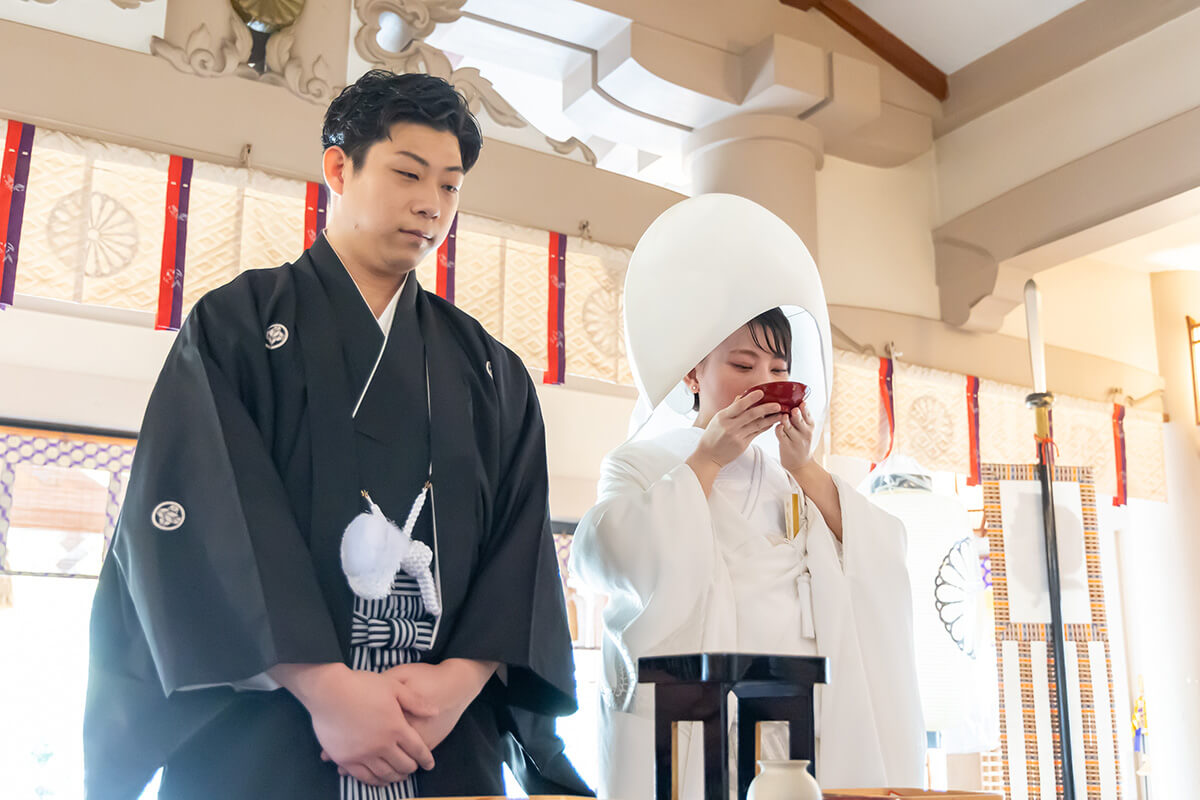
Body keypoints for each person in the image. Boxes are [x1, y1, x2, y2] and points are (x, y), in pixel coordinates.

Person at [84, 70, 589, 800]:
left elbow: (521, 554)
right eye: (409, 173)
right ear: (338, 167)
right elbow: (199, 521)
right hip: (266, 736)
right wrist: (323, 688)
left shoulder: (489, 370)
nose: (431, 205)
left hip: (439, 736)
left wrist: (458, 682)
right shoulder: (238, 330)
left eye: (450, 186)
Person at [569, 194, 926, 798]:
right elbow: (605, 556)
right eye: (743, 364)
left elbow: (878, 555)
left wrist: (806, 468)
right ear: (691, 374)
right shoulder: (642, 460)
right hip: (685, 710)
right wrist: (706, 460)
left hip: (792, 711)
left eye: (777, 367)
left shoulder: (792, 474)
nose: (764, 382)